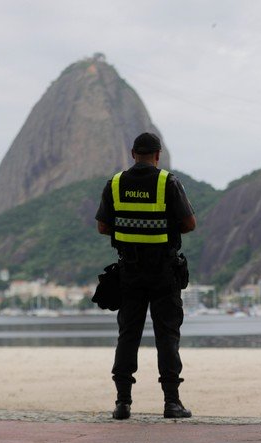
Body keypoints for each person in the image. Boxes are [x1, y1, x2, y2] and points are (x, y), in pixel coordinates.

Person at [95, 132, 196, 420]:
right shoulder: (168, 182)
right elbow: (189, 223)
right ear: (157, 155)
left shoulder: (115, 184)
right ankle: (172, 403)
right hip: (163, 273)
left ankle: (122, 403)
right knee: (167, 337)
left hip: (129, 272)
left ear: (132, 153)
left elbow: (102, 226)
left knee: (128, 336)